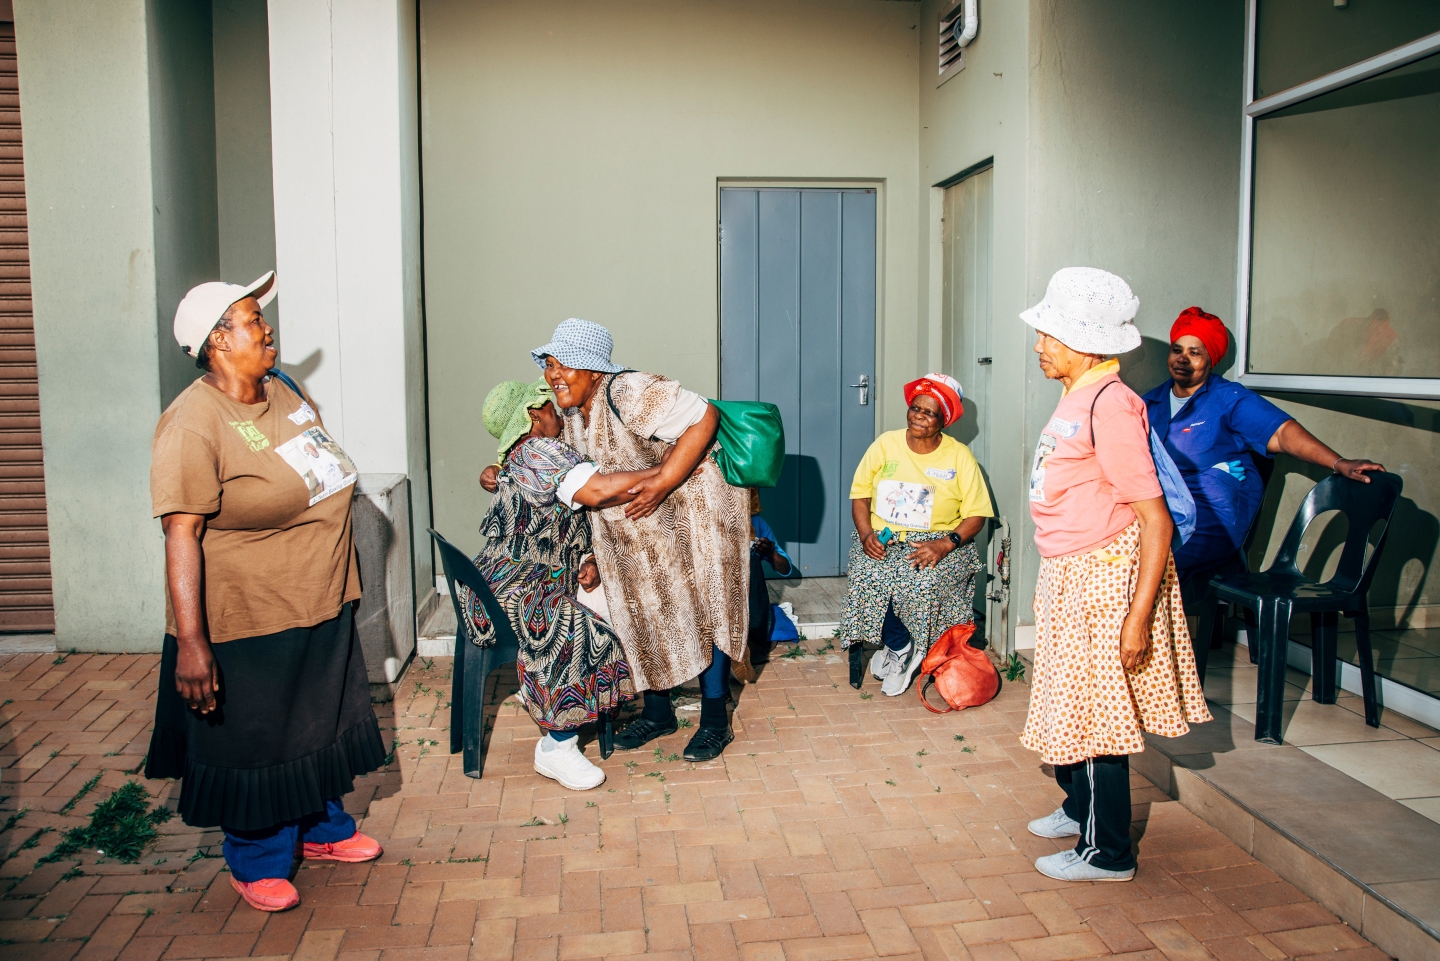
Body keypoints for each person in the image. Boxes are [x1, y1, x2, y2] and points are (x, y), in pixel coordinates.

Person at [146, 272, 386, 914]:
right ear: (218, 342)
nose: (267, 327)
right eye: (253, 319)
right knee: (258, 741)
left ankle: (321, 831)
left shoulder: (281, 387)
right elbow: (181, 536)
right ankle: (257, 860)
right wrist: (192, 642)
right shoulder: (192, 425)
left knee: (317, 724)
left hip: (321, 600)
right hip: (248, 620)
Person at [1019, 267, 1211, 883]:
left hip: (1105, 580)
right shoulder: (1080, 393)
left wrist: (1137, 618)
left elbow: (1155, 520)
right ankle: (1080, 812)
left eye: (1047, 334)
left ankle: (1108, 853)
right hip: (1071, 573)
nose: (1039, 344)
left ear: (1081, 341)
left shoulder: (1113, 404)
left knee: (1102, 714)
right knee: (1072, 698)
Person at [530, 319, 751, 762]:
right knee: (643, 606)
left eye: (563, 365)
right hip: (643, 519)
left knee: (706, 606)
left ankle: (713, 721)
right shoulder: (574, 413)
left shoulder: (627, 389)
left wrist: (664, 481)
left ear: (594, 369)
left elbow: (704, 415)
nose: (553, 375)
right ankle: (658, 711)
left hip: (702, 508)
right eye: (550, 365)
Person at [458, 378, 653, 791]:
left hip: (488, 588)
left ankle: (581, 715)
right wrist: (665, 472)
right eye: (548, 406)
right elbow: (597, 492)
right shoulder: (539, 451)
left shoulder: (518, 456)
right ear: (533, 414)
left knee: (585, 611)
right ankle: (557, 746)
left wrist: (587, 558)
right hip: (508, 593)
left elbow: (549, 522)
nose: (557, 413)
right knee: (577, 630)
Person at [1141, 307, 1384, 608]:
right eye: (1177, 350)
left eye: (1195, 352)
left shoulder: (1228, 399)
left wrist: (1338, 463)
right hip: (1162, 512)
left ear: (1211, 359)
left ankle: (1146, 646)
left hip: (1211, 520)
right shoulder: (1148, 403)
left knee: (1147, 562)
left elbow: (1283, 434)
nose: (1182, 359)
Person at [840, 373, 993, 696]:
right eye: (915, 408)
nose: (918, 416)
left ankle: (920, 650)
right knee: (869, 577)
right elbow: (860, 495)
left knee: (919, 582)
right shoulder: (886, 443)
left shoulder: (959, 456)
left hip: (937, 541)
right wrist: (866, 534)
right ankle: (900, 647)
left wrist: (944, 544)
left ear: (945, 420)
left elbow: (977, 514)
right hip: (884, 537)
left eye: (929, 412)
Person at [747, 490, 798, 659]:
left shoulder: (757, 524)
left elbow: (785, 568)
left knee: (752, 563)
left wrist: (770, 553)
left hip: (749, 597)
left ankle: (752, 641)